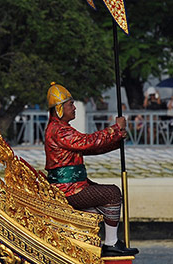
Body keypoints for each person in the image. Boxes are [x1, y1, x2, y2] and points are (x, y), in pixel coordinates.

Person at [44, 82, 138, 257]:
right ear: (59, 108)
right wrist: (115, 129)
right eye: (70, 104)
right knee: (112, 193)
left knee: (101, 201)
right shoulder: (58, 131)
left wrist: (116, 141)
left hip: (75, 185)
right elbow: (88, 141)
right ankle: (111, 244)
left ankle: (98, 242)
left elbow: (90, 148)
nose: (74, 107)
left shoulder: (61, 129)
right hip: (68, 189)